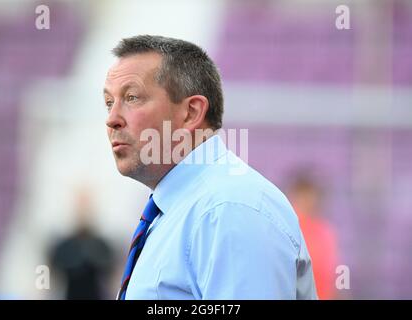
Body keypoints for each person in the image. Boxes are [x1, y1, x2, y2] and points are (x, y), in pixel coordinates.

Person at [103, 35, 317, 299]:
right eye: (109, 103)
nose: (111, 119)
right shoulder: (187, 208)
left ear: (192, 112)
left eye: (132, 97)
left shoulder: (229, 207)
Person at [287, 173, 340, 299]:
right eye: (303, 196)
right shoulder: (289, 227)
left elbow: (333, 277)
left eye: (310, 196)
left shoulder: (325, 231)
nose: (308, 201)